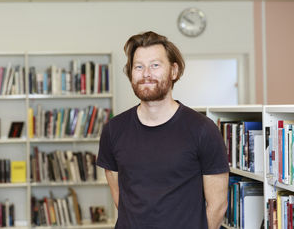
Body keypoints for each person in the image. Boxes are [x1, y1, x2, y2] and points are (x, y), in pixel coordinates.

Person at [97, 31, 229, 229]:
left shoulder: (203, 129)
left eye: (155, 65)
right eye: (138, 67)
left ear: (173, 71)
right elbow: (120, 199)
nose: (146, 74)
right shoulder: (113, 130)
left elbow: (218, 205)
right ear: (131, 73)